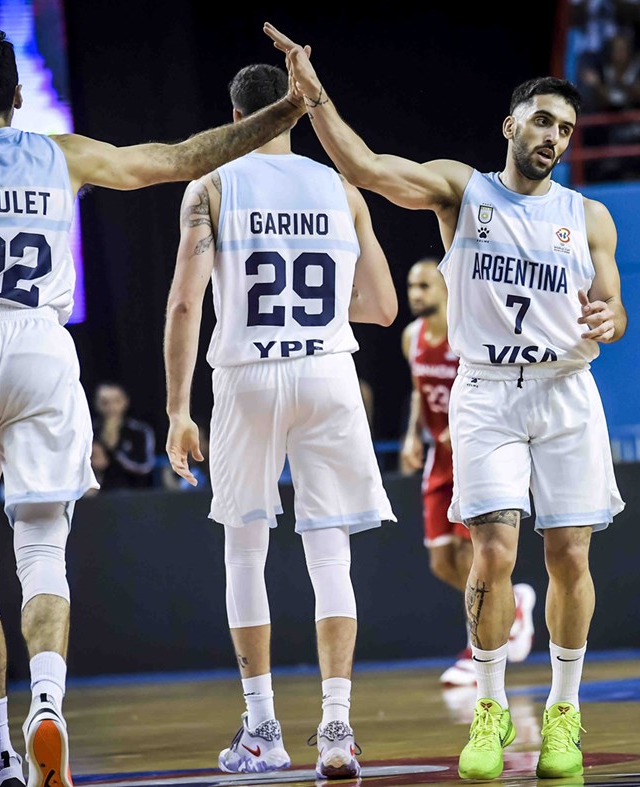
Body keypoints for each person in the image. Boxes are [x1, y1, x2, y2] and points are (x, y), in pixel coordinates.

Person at [0, 28, 307, 787]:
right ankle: (48, 705)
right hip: (38, 348)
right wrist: (285, 109)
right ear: (20, 95)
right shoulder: (63, 153)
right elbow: (181, 157)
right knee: (41, 551)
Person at [265, 24, 627, 781]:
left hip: (564, 389)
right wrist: (312, 92)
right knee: (491, 552)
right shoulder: (463, 191)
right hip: (487, 390)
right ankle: (490, 709)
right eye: (541, 120)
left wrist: (609, 317)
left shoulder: (589, 216)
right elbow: (362, 166)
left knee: (567, 554)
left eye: (564, 128)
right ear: (510, 124)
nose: (552, 136)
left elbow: (614, 308)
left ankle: (564, 710)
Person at [163, 63, 397, 780]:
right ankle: (335, 726)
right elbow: (383, 307)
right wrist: (320, 314)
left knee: (245, 551)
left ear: (235, 117)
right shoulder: (340, 188)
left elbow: (183, 306)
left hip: (248, 373)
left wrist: (177, 409)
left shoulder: (210, 186)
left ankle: (262, 728)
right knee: (330, 555)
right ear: (293, 117)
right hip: (329, 370)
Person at [399, 258, 535, 687]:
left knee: (472, 556)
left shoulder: (466, 334)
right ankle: (512, 607)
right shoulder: (411, 337)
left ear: (444, 288)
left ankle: (481, 650)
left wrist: (468, 430)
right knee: (441, 562)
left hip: (471, 453)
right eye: (411, 286)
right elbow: (419, 391)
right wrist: (411, 435)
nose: (415, 294)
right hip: (438, 458)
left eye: (423, 285)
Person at [91, 382, 156, 490]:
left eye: (116, 401)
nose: (111, 407)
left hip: (133, 491)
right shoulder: (90, 432)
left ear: (125, 402)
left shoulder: (139, 431)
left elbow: (146, 466)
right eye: (105, 402)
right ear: (97, 404)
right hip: (99, 493)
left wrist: (116, 453)